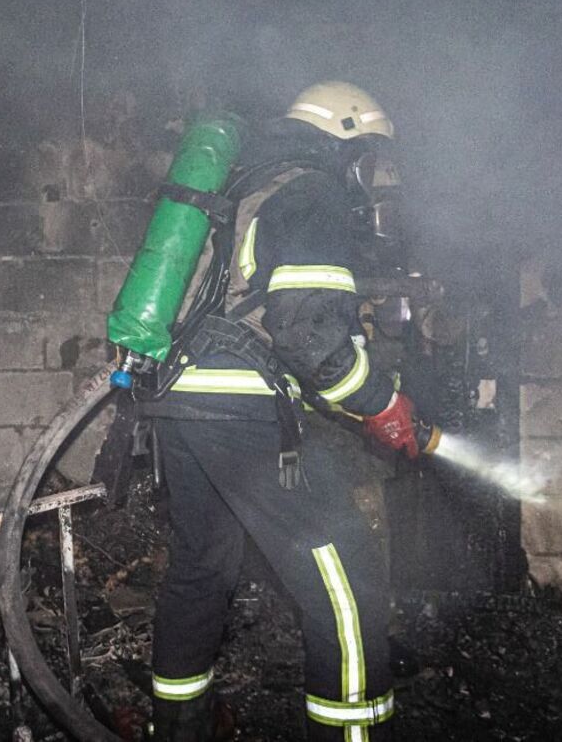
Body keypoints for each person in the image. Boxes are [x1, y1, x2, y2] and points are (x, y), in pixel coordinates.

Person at [142, 82, 439, 742]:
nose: (372, 177)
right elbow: (309, 334)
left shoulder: (252, 184)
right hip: (243, 408)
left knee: (202, 563)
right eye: (370, 158)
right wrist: (382, 402)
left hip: (179, 399)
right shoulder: (314, 192)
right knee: (346, 578)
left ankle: (177, 731)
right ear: (347, 139)